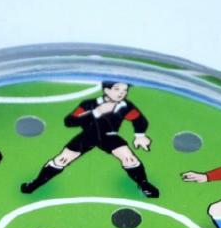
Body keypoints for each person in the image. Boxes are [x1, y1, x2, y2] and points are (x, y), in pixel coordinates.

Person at [19, 81, 160, 198]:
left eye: (124, 90)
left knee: (129, 158)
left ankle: (144, 184)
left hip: (110, 136)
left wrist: (140, 135)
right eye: (117, 89)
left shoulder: (125, 106)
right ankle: (36, 183)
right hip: (89, 135)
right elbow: (70, 121)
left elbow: (139, 120)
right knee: (62, 159)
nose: (121, 93)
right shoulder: (90, 104)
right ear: (106, 90)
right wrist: (96, 112)